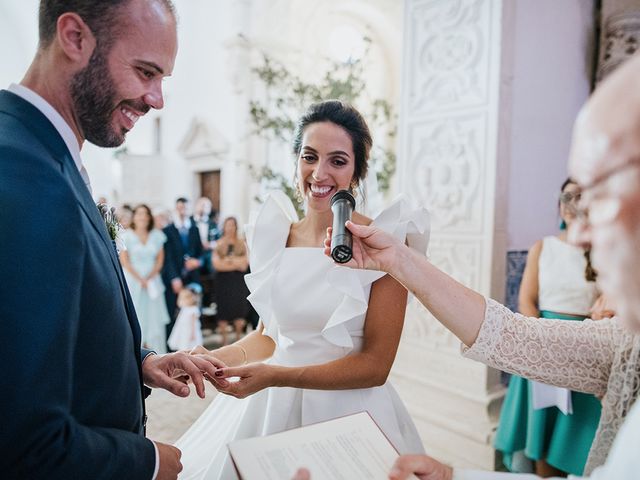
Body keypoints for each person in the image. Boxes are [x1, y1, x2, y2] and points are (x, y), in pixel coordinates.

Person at [323, 54, 640, 480]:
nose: (579, 235)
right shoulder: (628, 346)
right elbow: (508, 335)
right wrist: (397, 259)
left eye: (599, 194)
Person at [0, 1, 224, 478]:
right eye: (146, 72)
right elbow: (22, 440)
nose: (157, 98)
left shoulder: (42, 151)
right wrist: (145, 462)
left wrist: (139, 361)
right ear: (75, 38)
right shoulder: (24, 175)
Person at [176, 100, 429, 479]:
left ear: (357, 172)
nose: (319, 172)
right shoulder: (275, 235)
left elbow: (375, 366)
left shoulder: (384, 242)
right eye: (309, 156)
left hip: (350, 414)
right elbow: (268, 337)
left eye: (338, 161)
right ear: (296, 161)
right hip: (272, 406)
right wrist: (214, 359)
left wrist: (276, 376)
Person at [494, 179, 601, 477]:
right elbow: (526, 301)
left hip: (587, 352)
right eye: (566, 196)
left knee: (574, 440)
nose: (572, 203)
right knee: (542, 434)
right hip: (544, 348)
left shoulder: (605, 253)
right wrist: (544, 346)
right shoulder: (544, 247)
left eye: (580, 196)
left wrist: (580, 344)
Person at [120, 204, 171, 353]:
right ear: (134, 217)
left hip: (152, 281)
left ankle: (157, 353)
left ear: (149, 217)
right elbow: (124, 260)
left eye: (145, 214)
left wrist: (149, 278)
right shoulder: (126, 236)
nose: (142, 217)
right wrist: (139, 279)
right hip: (133, 281)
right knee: (136, 314)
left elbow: (160, 260)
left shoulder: (157, 235)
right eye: (139, 214)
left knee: (153, 317)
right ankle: (136, 353)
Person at [162, 197, 204, 346]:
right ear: (176, 209)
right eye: (179, 207)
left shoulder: (195, 229)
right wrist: (174, 278)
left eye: (185, 208)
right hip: (175, 279)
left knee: (193, 313)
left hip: (192, 278)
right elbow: (167, 258)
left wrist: (198, 261)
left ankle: (192, 346)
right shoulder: (167, 230)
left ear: (189, 209)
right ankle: (172, 350)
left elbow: (201, 253)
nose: (182, 210)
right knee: (174, 312)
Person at [211, 216, 250, 345]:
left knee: (239, 309)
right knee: (223, 309)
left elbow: (245, 264)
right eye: (227, 225)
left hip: (238, 282)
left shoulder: (241, 243)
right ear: (224, 227)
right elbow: (217, 265)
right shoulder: (219, 243)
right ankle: (225, 341)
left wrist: (227, 261)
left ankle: (239, 339)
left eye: (232, 225)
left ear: (236, 227)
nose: (230, 228)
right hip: (223, 282)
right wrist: (236, 263)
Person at [168, 287, 203, 351]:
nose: (181, 301)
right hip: (184, 330)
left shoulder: (193, 309)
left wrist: (193, 333)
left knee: (191, 345)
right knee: (184, 344)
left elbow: (193, 323)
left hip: (190, 331)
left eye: (183, 299)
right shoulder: (184, 308)